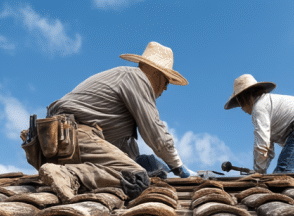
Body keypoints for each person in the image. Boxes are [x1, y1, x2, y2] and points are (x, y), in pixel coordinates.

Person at [37, 42, 191, 200]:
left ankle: (70, 173)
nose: (165, 88)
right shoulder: (136, 78)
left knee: (136, 173)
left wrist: (140, 162)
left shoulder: (124, 103)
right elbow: (156, 134)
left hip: (62, 143)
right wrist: (178, 166)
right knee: (136, 178)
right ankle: (68, 174)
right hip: (72, 136)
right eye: (166, 81)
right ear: (157, 73)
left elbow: (122, 150)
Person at [223, 74, 294, 174]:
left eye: (240, 103)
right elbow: (268, 148)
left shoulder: (259, 108)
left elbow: (262, 144)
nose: (241, 108)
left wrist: (258, 172)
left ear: (245, 97)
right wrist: (261, 171)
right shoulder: (268, 105)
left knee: (283, 175)